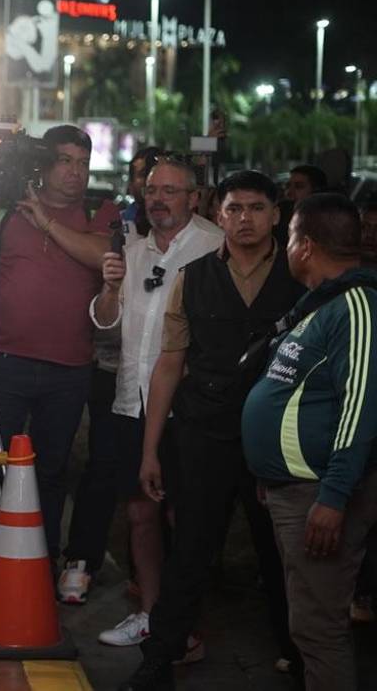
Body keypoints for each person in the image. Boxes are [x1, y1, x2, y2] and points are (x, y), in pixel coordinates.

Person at [123, 171, 304, 690]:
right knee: (191, 552)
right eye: (234, 208)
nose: (244, 218)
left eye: (255, 208)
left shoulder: (298, 277)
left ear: (275, 214)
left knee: (281, 554)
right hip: (205, 432)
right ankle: (159, 659)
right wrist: (151, 449)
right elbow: (169, 364)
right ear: (218, 214)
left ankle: (303, 658)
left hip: (277, 437)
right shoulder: (195, 275)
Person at [0, 124, 118, 601]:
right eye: (66, 161)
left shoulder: (96, 211)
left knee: (50, 472)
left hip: (68, 367)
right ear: (43, 164)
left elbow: (101, 253)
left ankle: (37, 570)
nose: (76, 172)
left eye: (83, 163)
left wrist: (45, 222)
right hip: (1, 359)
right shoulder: (3, 210)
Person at [80, 157, 223, 639]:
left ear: (193, 197)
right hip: (131, 400)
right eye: (151, 191)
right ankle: (151, 614)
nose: (157, 200)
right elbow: (105, 324)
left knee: (185, 517)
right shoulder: (134, 251)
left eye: (170, 191)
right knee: (140, 512)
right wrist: (109, 286)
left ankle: (185, 624)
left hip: (189, 407)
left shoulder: (214, 245)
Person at [242, 193, 377, 691]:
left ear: (306, 246)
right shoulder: (323, 304)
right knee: (309, 626)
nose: (287, 246)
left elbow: (361, 408)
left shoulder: (358, 306)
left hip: (321, 494)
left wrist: (335, 495)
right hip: (294, 487)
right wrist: (272, 473)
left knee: (320, 631)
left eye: (291, 235)